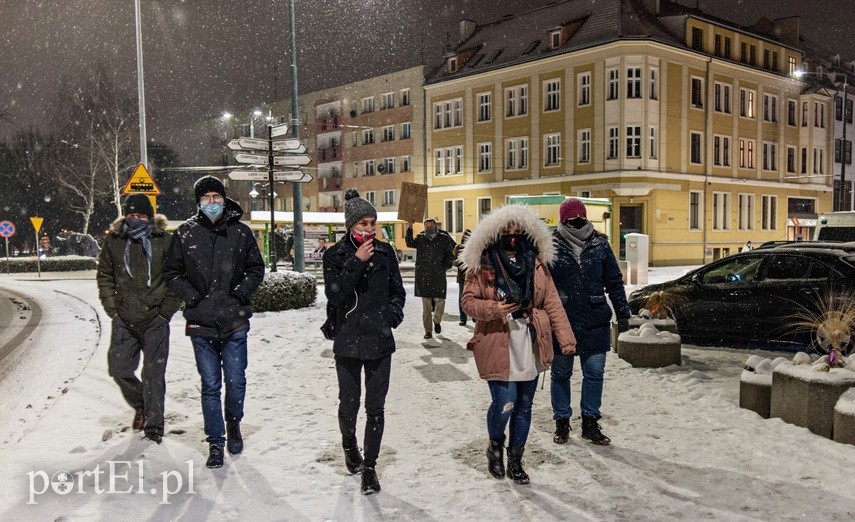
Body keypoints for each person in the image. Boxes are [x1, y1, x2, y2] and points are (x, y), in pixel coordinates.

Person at [459, 204, 576, 485]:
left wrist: (566, 339)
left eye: (518, 230)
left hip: (530, 341)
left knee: (524, 405)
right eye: (507, 230)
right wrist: (494, 308)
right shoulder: (482, 265)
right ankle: (495, 446)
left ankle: (516, 460)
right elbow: (467, 302)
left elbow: (552, 303)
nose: (513, 235)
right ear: (496, 233)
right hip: (497, 339)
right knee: (505, 402)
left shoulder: (535, 264)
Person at [164, 175, 265, 469]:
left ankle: (233, 423)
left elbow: (255, 269)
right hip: (201, 324)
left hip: (235, 322)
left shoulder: (241, 233)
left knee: (236, 381)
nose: (212, 203)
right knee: (210, 385)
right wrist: (193, 298)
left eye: (216, 197)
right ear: (198, 202)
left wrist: (238, 295)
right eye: (206, 198)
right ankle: (216, 442)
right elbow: (172, 273)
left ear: (224, 199)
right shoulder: (185, 234)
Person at [323, 188, 405, 495]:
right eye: (363, 224)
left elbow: (398, 291)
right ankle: (349, 446)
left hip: (380, 341)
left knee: (375, 407)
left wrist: (391, 316)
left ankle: (369, 467)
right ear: (350, 225)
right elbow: (335, 294)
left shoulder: (386, 253)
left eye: (372, 223)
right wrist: (356, 262)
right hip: (347, 339)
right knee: (349, 403)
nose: (369, 229)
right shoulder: (335, 256)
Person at [97, 193, 183, 444]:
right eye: (132, 214)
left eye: (141, 215)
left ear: (150, 216)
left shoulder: (164, 241)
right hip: (124, 318)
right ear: (126, 215)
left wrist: (165, 311)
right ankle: (142, 404)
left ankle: (154, 426)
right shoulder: (114, 241)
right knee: (119, 368)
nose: (136, 219)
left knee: (153, 374)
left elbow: (175, 278)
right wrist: (112, 307)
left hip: (155, 319)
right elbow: (105, 275)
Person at [549, 198, 630, 446]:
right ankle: (562, 422)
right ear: (563, 220)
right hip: (562, 321)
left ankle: (590, 422)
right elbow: (543, 286)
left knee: (594, 374)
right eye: (571, 218)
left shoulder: (600, 244)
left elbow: (614, 282)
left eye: (580, 217)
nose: (577, 221)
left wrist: (623, 312)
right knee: (561, 373)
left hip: (595, 320)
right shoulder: (551, 246)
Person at [405, 218, 456, 339]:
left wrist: (444, 266)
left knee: (440, 301)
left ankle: (437, 320)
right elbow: (409, 242)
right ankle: (428, 331)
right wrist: (410, 227)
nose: (428, 229)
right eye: (426, 227)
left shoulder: (443, 238)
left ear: (435, 225)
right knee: (426, 306)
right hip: (424, 275)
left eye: (430, 226)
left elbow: (450, 254)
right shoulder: (421, 238)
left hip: (438, 274)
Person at [452, 229, 472, 326]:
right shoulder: (459, 248)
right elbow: (454, 262)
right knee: (462, 298)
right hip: (462, 277)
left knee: (473, 297)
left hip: (473, 277)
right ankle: (463, 318)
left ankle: (474, 315)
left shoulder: (474, 248)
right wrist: (462, 261)